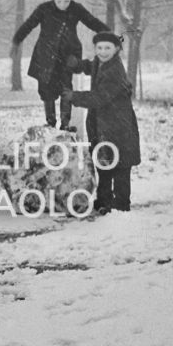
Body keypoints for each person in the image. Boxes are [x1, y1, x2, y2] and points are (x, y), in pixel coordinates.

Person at [11, 0, 109, 131]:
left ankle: (65, 123)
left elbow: (92, 22)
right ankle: (50, 122)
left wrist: (108, 34)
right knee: (46, 90)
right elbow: (29, 24)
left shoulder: (76, 9)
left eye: (67, 0)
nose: (63, 4)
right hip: (46, 56)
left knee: (66, 89)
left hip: (67, 57)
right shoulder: (44, 9)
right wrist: (17, 40)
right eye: (59, 0)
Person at [63, 31, 141, 214]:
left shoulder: (115, 71)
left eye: (108, 48)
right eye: (99, 48)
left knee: (120, 166)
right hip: (104, 124)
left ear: (116, 50)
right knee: (104, 162)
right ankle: (104, 199)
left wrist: (74, 96)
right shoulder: (102, 62)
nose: (103, 52)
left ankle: (121, 203)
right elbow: (91, 66)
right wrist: (78, 64)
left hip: (119, 126)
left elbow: (99, 98)